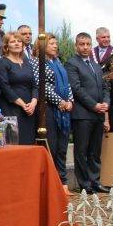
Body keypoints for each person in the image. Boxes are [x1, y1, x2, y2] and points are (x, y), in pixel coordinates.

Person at [65, 32, 110, 194]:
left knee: (94, 151)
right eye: (82, 44)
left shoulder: (96, 65)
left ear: (91, 46)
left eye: (88, 44)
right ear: (76, 46)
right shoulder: (71, 64)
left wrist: (106, 103)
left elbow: (105, 87)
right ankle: (85, 184)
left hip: (98, 114)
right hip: (83, 114)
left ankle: (95, 181)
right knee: (82, 151)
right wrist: (94, 105)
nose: (85, 47)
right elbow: (76, 89)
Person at [33, 34, 73, 192]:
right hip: (49, 109)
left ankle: (63, 182)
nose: (55, 46)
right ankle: (52, 184)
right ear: (42, 45)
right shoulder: (37, 62)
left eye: (56, 43)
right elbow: (42, 85)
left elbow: (67, 84)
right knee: (53, 146)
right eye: (51, 43)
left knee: (62, 147)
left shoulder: (58, 62)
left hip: (64, 111)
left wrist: (70, 101)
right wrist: (59, 102)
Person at [0, 32, 38, 145]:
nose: (17, 44)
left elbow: (34, 85)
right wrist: (22, 104)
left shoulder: (28, 63)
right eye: (13, 41)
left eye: (19, 41)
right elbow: (5, 87)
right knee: (14, 143)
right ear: (6, 46)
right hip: (11, 109)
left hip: (29, 110)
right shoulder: (2, 63)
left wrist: (33, 103)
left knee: (29, 142)